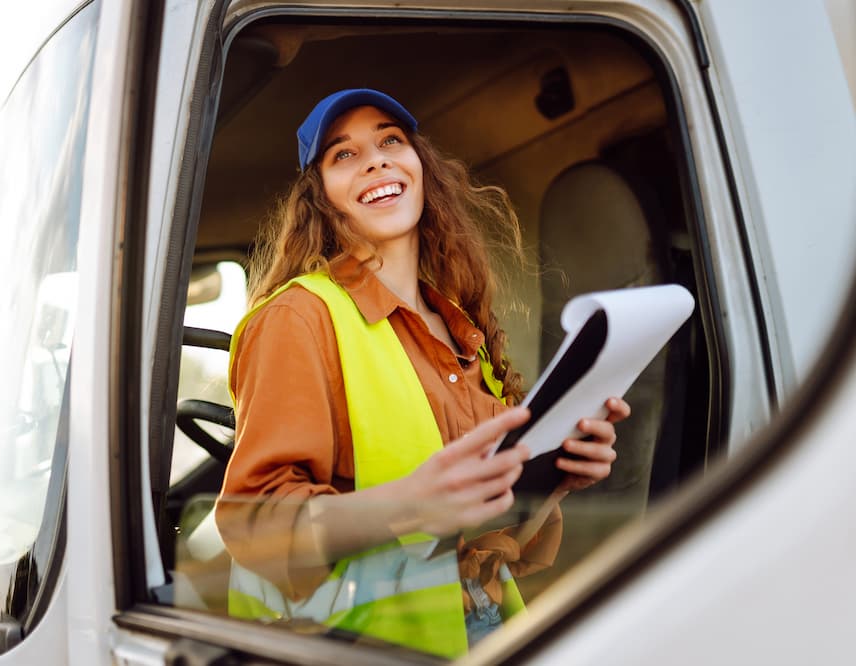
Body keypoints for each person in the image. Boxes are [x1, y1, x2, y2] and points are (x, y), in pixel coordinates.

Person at [217, 89, 630, 657]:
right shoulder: (297, 317)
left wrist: (552, 475)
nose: (376, 160)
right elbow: (253, 529)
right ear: (321, 198)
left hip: (488, 628)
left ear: (420, 168)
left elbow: (487, 539)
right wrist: (411, 503)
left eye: (391, 141)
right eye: (344, 154)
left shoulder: (458, 327)